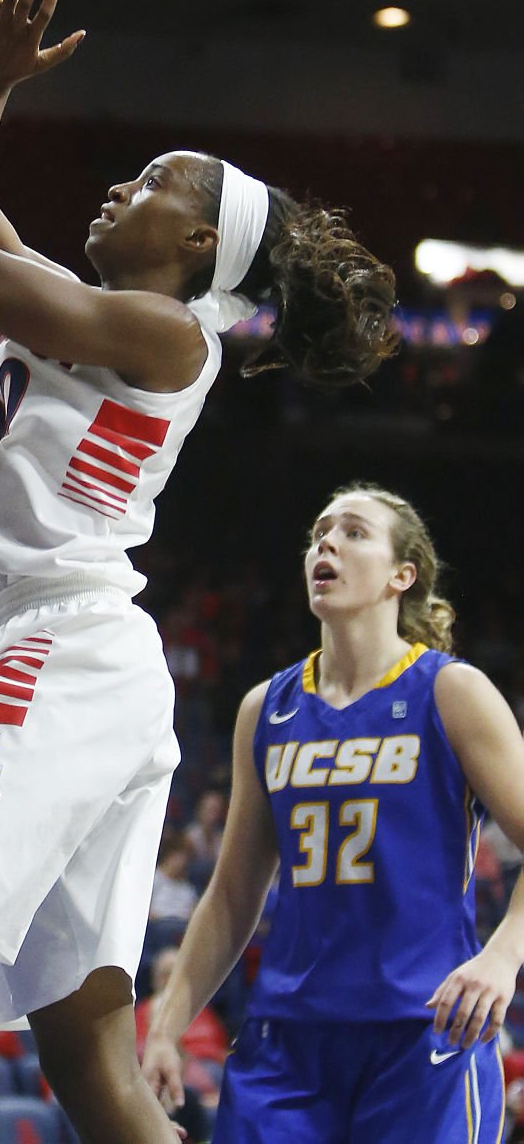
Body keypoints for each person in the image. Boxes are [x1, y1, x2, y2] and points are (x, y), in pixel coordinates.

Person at [0, 0, 399, 1144]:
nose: (120, 185)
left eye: (154, 179)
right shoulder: (84, 309)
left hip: (63, 645)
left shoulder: (165, 334)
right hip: (80, 661)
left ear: (199, 243)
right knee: (88, 1054)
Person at [143, 483, 522, 1142]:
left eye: (353, 532)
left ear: (401, 576)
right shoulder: (267, 708)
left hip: (423, 1032)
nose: (327, 543)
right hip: (288, 1041)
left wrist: (502, 956)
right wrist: (166, 1027)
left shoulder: (451, 691)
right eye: (320, 532)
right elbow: (233, 894)